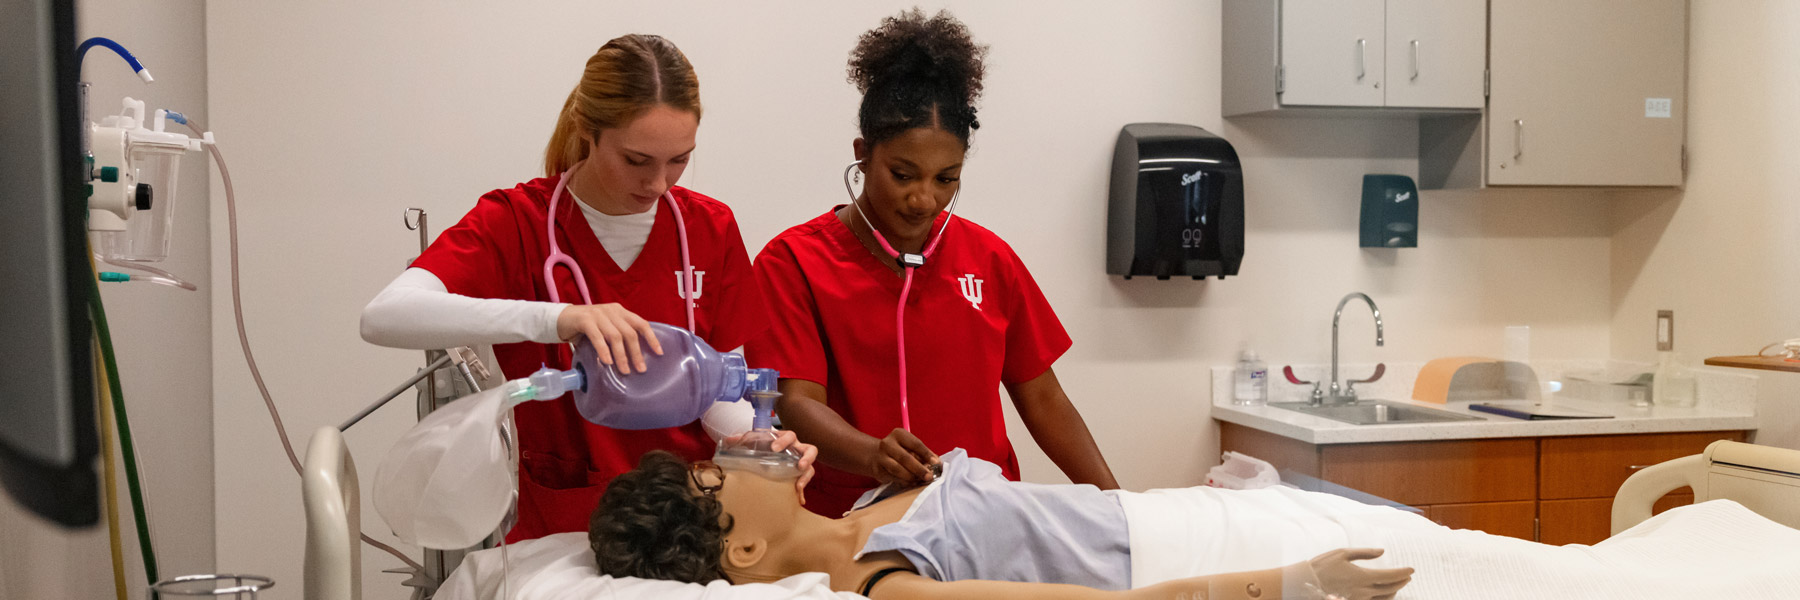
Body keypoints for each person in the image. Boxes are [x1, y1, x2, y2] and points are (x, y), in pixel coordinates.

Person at [359, 34, 812, 542]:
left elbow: (718, 390)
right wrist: (558, 318)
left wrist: (753, 443)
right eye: (637, 160)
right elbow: (383, 316)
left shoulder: (709, 227)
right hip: (564, 525)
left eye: (679, 160)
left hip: (686, 524)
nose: (659, 183)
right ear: (588, 132)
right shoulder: (517, 223)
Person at [749, 8, 1116, 518]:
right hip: (849, 520)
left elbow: (1045, 401)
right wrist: (872, 455)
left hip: (981, 515)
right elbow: (796, 403)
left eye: (946, 178)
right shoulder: (793, 262)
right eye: (903, 174)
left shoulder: (989, 259)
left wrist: (1121, 508)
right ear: (863, 154)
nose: (923, 199)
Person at [588, 449, 1414, 600]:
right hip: (1215, 555)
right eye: (717, 474)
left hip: (1192, 512)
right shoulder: (875, 578)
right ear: (743, 547)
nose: (733, 455)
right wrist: (1296, 586)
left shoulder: (860, 512)